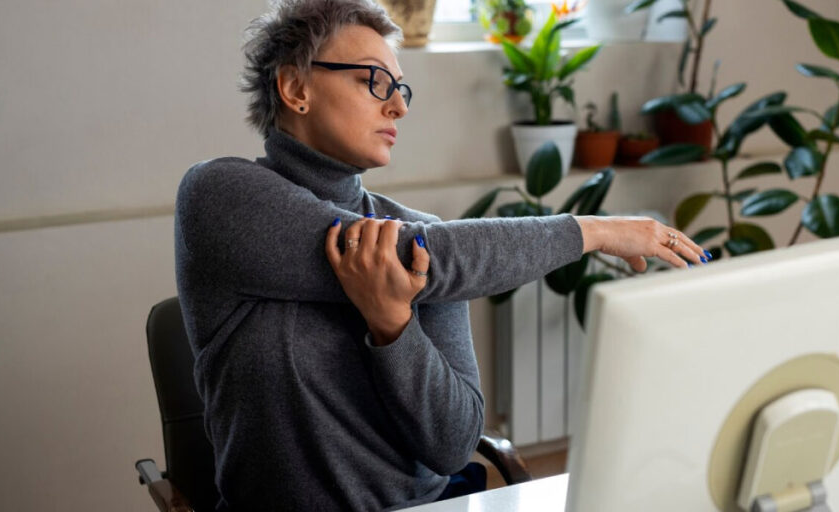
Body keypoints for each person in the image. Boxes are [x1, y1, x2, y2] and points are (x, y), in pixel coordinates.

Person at [173, 0, 710, 510]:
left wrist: (393, 327)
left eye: (401, 87)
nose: (398, 106)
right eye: (374, 81)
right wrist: (590, 231)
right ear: (295, 87)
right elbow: (411, 253)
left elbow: (453, 447)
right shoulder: (217, 195)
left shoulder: (431, 243)